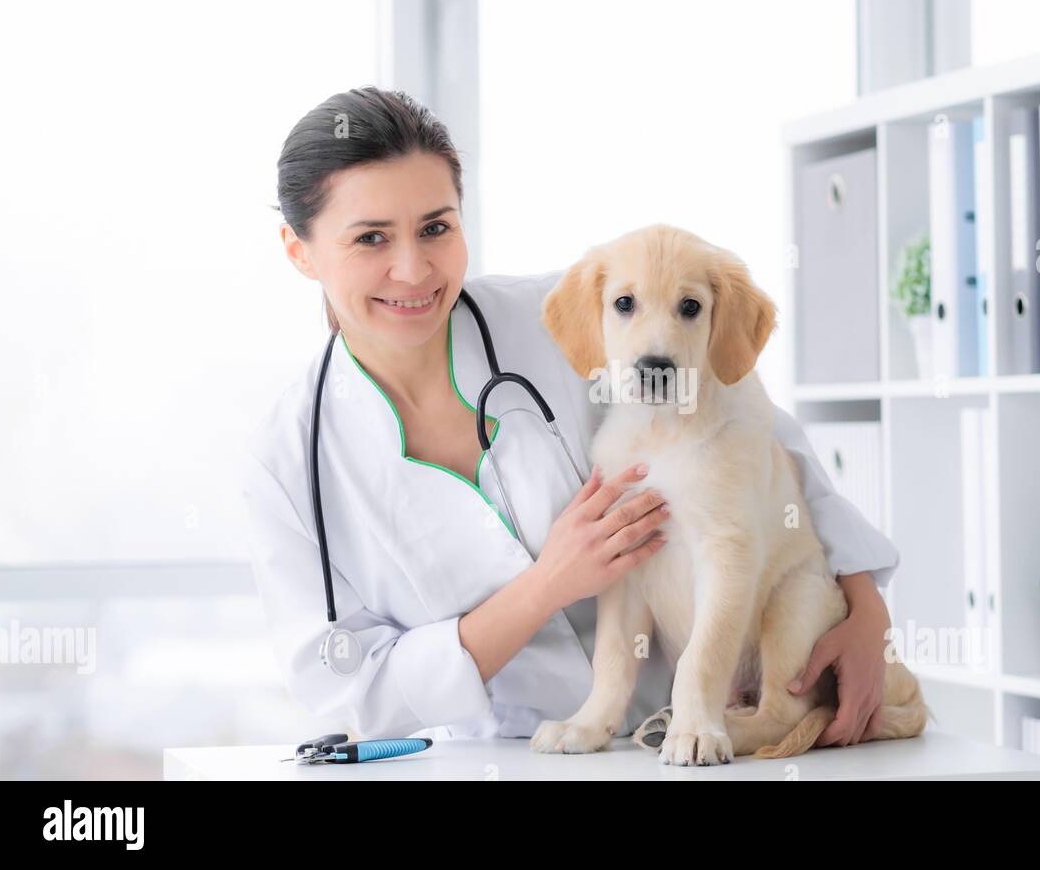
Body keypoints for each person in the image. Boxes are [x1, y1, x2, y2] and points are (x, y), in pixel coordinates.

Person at [243, 86, 900, 747]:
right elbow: (356, 689)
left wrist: (864, 607)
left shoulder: (576, 316)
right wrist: (548, 584)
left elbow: (754, 434)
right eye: (371, 238)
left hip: (698, 735)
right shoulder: (289, 459)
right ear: (300, 252)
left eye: (436, 227)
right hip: (512, 755)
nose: (412, 270)